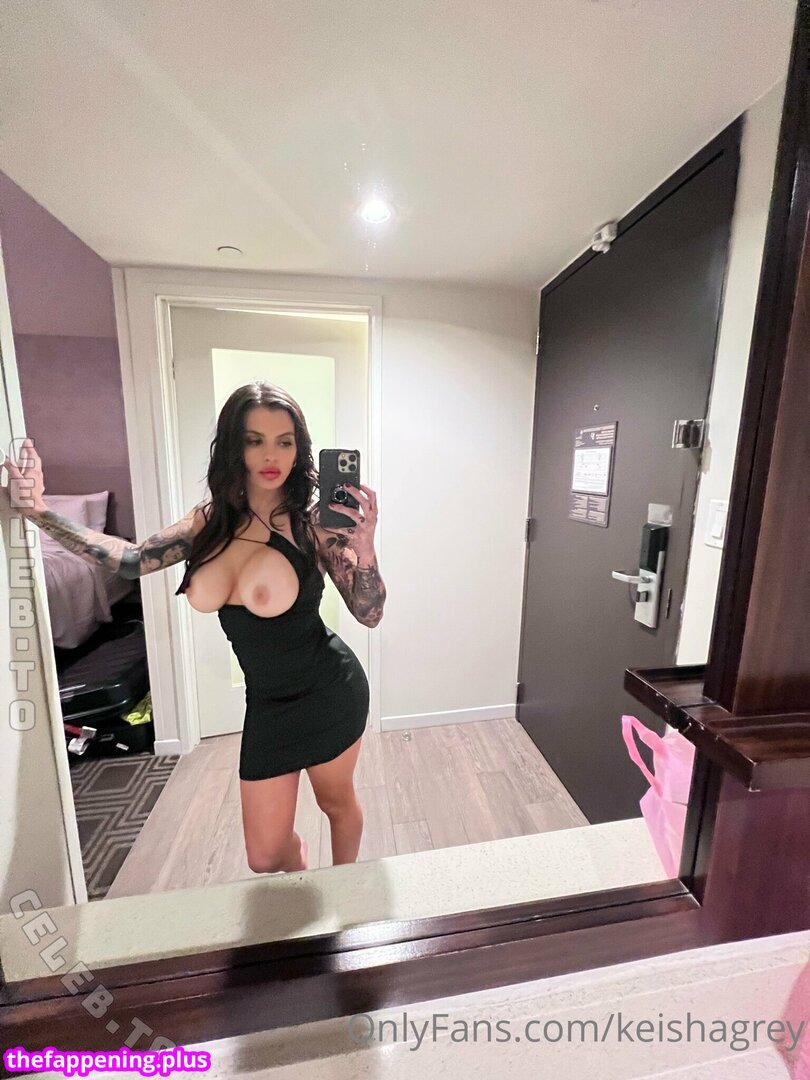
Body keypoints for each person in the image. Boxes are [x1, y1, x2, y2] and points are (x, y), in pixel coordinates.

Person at [2, 381, 385, 875]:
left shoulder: (313, 527)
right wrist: (38, 511)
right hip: (268, 705)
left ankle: (347, 891)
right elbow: (131, 559)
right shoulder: (208, 524)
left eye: (284, 441)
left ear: (299, 449)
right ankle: (301, 878)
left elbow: (369, 613)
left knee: (337, 804)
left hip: (328, 691)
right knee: (265, 856)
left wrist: (366, 550)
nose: (271, 455)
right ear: (233, 447)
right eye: (254, 440)